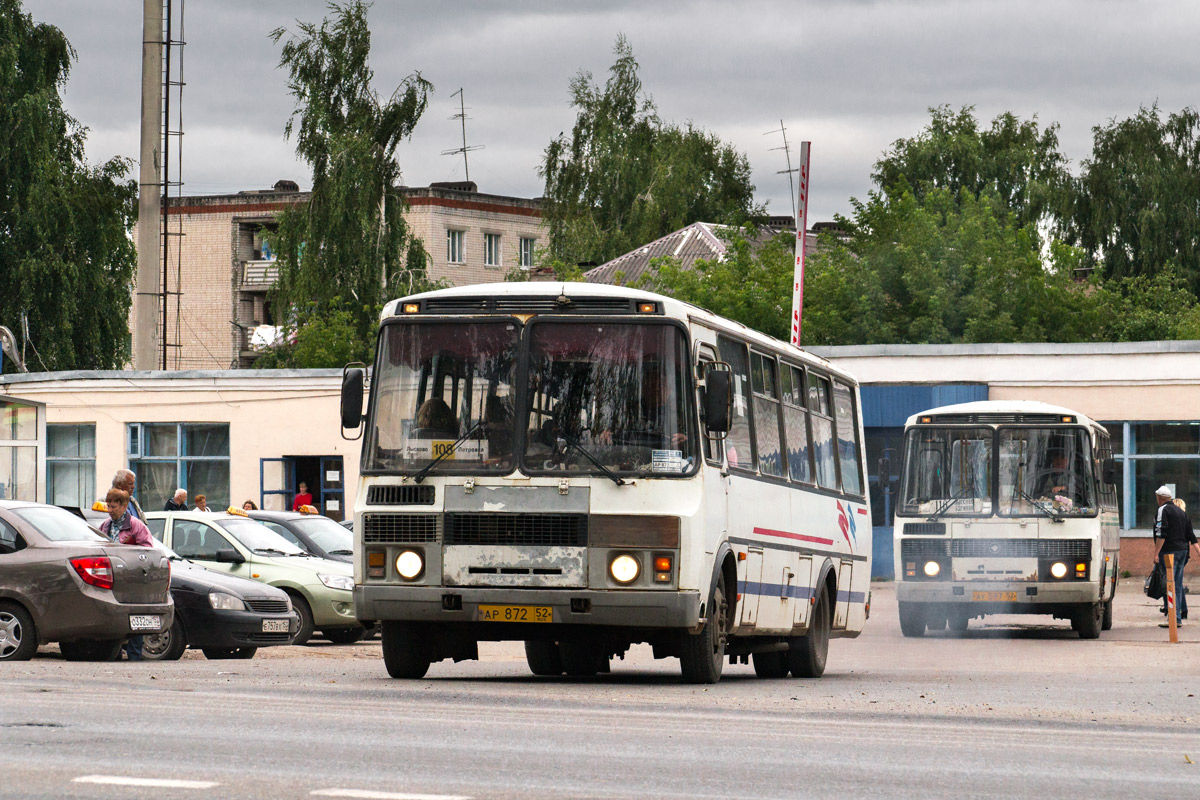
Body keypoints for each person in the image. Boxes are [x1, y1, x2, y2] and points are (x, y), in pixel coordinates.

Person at [100, 487, 154, 661]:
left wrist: (129, 553)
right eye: (108, 506)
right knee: (114, 615)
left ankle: (134, 656)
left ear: (124, 506)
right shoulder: (105, 526)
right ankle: (114, 654)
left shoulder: (136, 526)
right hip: (112, 577)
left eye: (114, 506)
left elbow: (147, 549)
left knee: (133, 616)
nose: (110, 510)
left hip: (132, 578)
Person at [1153, 485, 1199, 628]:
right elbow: (1190, 534)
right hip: (1182, 552)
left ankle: (1173, 619)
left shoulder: (1163, 510)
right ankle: (1176, 618)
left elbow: (1161, 533)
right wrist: (1198, 551)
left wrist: (1156, 553)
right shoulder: (1181, 512)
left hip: (1169, 553)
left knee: (1169, 585)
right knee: (1177, 585)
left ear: (1159, 498)